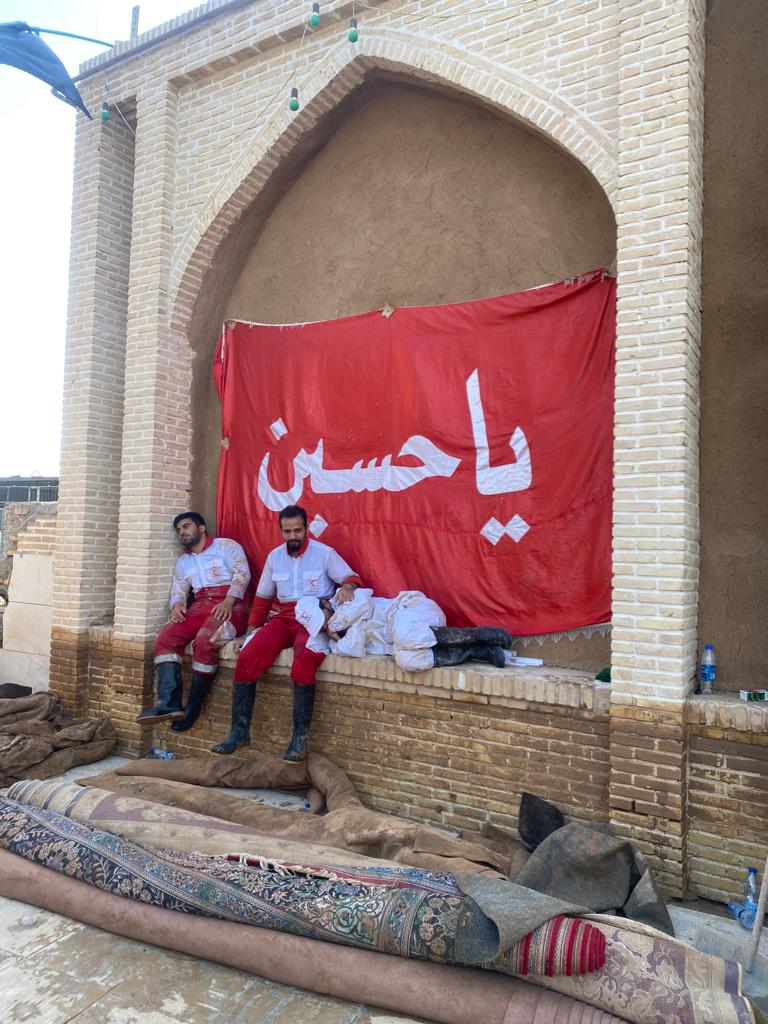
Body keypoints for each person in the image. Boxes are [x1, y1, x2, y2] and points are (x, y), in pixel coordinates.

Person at [211, 505, 362, 762]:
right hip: (283, 618)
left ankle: (299, 739)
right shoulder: (274, 557)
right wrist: (249, 633)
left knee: (304, 659)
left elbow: (352, 577)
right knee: (247, 655)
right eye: (287, 531)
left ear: (306, 529)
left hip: (313, 617)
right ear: (281, 531)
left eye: (297, 530)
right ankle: (239, 732)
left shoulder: (324, 553)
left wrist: (347, 587)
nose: (293, 536)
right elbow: (262, 600)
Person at [137, 512, 251, 729]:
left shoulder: (226, 546)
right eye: (178, 530)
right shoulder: (183, 561)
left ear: (201, 528)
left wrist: (228, 601)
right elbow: (179, 589)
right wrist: (177, 605)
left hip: (233, 604)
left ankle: (193, 707)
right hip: (199, 605)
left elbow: (242, 574)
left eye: (186, 526)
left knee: (205, 641)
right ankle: (168, 703)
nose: (181, 532)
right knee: (165, 639)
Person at [296, 588, 512, 671]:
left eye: (322, 620)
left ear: (325, 604)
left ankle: (480, 635)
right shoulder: (337, 641)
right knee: (407, 661)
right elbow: (355, 649)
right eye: (320, 628)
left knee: (403, 634)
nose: (325, 627)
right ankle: (480, 651)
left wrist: (334, 627)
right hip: (409, 640)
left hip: (415, 610)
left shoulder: (347, 598)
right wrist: (336, 638)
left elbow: (362, 606)